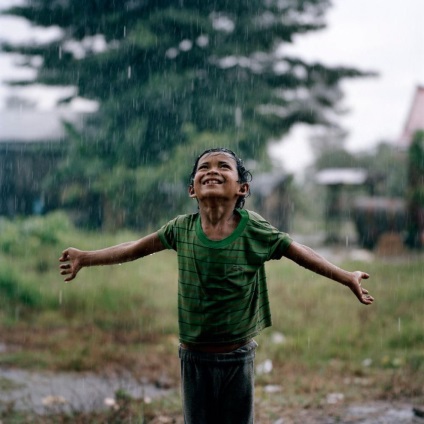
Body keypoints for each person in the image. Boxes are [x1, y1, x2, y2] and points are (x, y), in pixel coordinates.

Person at [59, 147, 374, 424]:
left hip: (238, 355)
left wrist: (345, 276)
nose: (212, 171)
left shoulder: (254, 230)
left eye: (223, 167)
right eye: (204, 168)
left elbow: (299, 252)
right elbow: (133, 248)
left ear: (242, 188)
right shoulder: (181, 229)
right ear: (192, 190)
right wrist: (87, 257)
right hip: (193, 355)